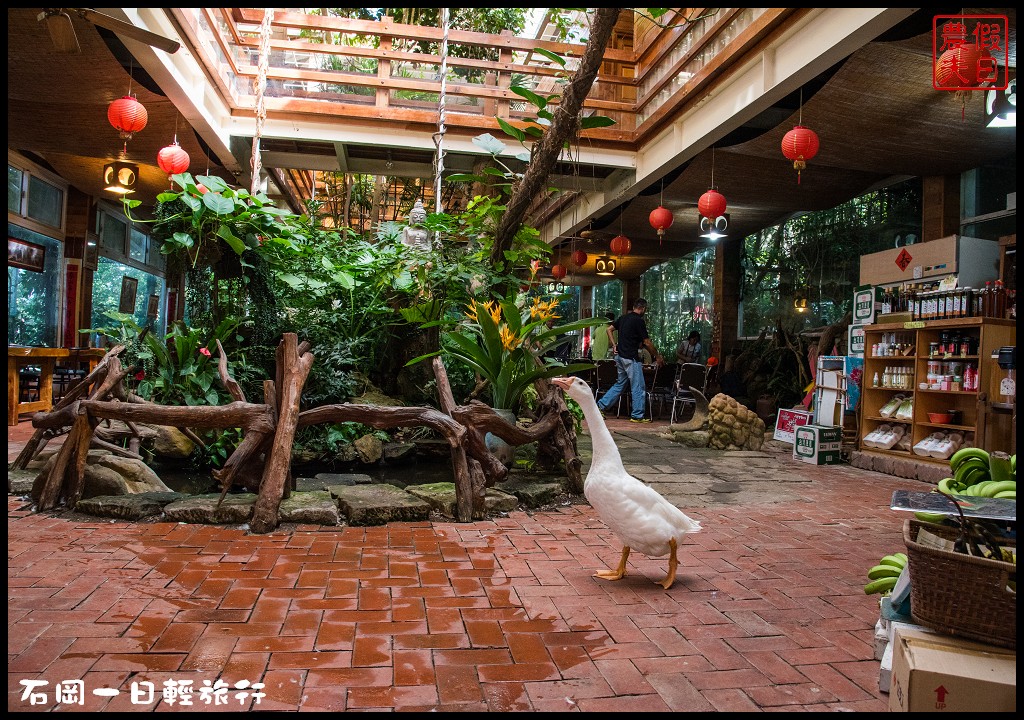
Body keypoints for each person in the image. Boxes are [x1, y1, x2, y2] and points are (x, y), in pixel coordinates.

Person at [596, 299, 665, 423]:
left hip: (620, 357)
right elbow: (647, 342)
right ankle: (637, 415)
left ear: (634, 307)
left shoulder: (623, 318)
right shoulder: (639, 321)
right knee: (638, 386)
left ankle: (600, 407)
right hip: (630, 358)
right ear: (643, 308)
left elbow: (609, 330)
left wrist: (614, 345)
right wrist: (657, 356)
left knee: (620, 384)